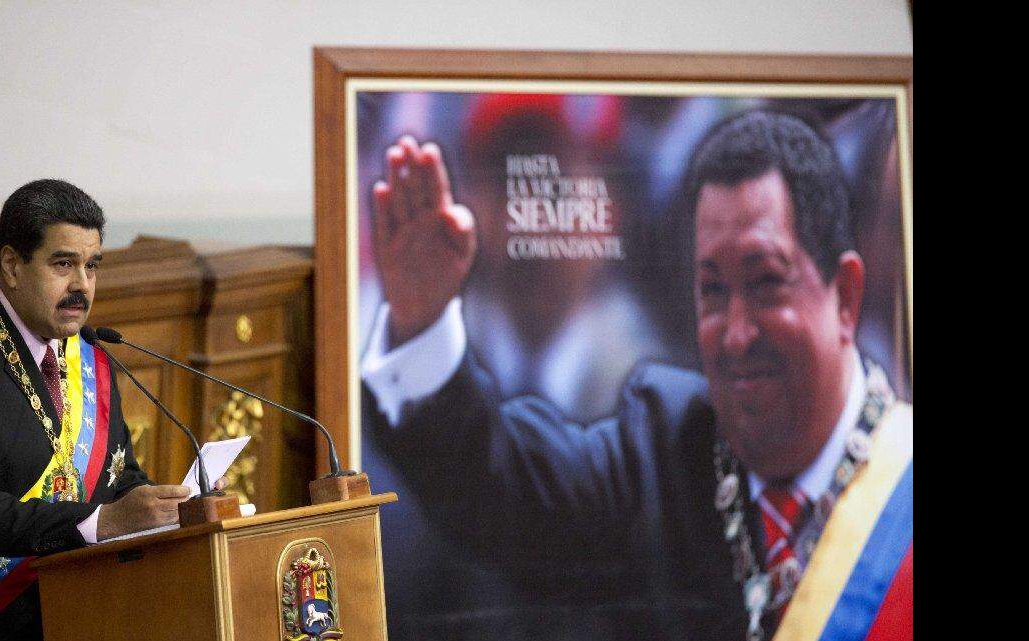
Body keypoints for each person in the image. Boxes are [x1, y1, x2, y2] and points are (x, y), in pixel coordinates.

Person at [360, 112, 912, 640]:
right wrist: (423, 322)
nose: (737, 333)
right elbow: (496, 485)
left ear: (846, 294)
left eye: (766, 282)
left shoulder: (902, 484)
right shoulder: (666, 449)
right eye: (713, 290)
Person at [0, 180, 212, 641]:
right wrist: (102, 521)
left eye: (91, 266)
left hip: (78, 609)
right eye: (64, 264)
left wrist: (173, 506)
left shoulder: (91, 357)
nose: (81, 285)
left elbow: (117, 479)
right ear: (12, 265)